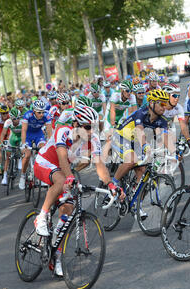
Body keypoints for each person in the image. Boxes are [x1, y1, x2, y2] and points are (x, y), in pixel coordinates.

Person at [33, 104, 124, 276]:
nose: (91, 132)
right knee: (61, 180)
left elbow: (99, 164)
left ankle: (56, 254)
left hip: (62, 168)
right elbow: (61, 157)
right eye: (88, 127)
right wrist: (70, 178)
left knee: (67, 210)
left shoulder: (93, 139)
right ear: (76, 124)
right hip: (45, 162)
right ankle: (41, 217)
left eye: (94, 127)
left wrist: (112, 185)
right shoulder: (63, 131)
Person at [111, 89, 170, 219]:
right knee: (131, 160)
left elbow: (165, 138)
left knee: (143, 172)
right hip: (121, 137)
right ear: (152, 104)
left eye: (166, 104)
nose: (164, 107)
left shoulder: (162, 120)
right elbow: (139, 131)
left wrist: (173, 152)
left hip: (135, 143)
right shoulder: (141, 113)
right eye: (161, 103)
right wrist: (145, 147)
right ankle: (113, 184)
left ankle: (136, 205)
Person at [19, 100, 51, 190]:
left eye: (43, 112)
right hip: (28, 135)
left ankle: (43, 177)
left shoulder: (47, 115)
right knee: (27, 155)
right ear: (34, 111)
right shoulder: (27, 115)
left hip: (38, 134)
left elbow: (49, 132)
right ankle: (23, 175)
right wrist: (23, 143)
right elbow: (24, 130)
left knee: (43, 152)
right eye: (39, 112)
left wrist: (49, 143)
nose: (41, 114)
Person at [0, 108, 22, 185]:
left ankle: (20, 160)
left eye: (18, 118)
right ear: (11, 118)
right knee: (8, 156)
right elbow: (3, 133)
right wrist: (1, 143)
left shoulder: (23, 122)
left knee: (22, 149)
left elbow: (27, 133)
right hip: (12, 138)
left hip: (21, 138)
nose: (16, 120)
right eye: (14, 119)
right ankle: (5, 176)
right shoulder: (8, 122)